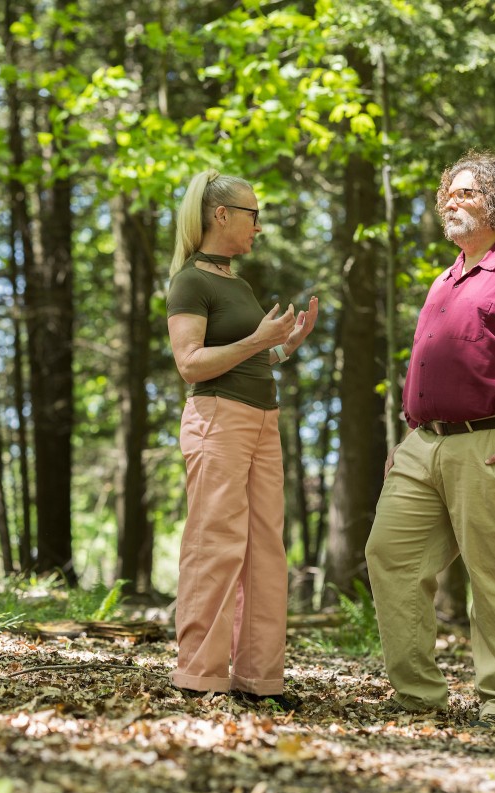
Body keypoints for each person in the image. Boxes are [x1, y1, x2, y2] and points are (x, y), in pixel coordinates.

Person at [365, 151, 495, 735]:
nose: (451, 201)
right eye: (448, 194)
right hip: (424, 444)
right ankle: (419, 697)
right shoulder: (447, 276)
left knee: (494, 577)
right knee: (390, 556)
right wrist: (410, 437)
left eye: (467, 192)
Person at [166, 169, 319, 708]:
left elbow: (250, 356)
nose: (259, 225)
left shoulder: (239, 283)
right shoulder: (190, 281)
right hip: (217, 419)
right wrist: (259, 337)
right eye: (252, 214)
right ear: (221, 215)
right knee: (215, 542)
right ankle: (198, 675)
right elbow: (190, 364)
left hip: (261, 419)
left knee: (265, 551)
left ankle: (259, 681)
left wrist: (283, 346)